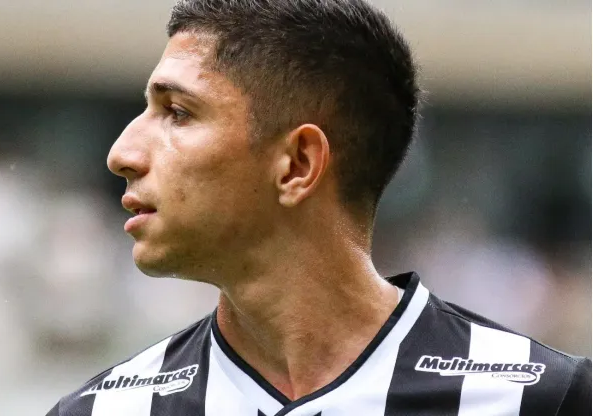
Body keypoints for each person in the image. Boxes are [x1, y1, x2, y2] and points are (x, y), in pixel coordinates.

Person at [46, 0, 590, 414]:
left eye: (179, 113)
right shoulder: (103, 409)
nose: (122, 154)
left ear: (299, 164)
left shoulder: (547, 399)